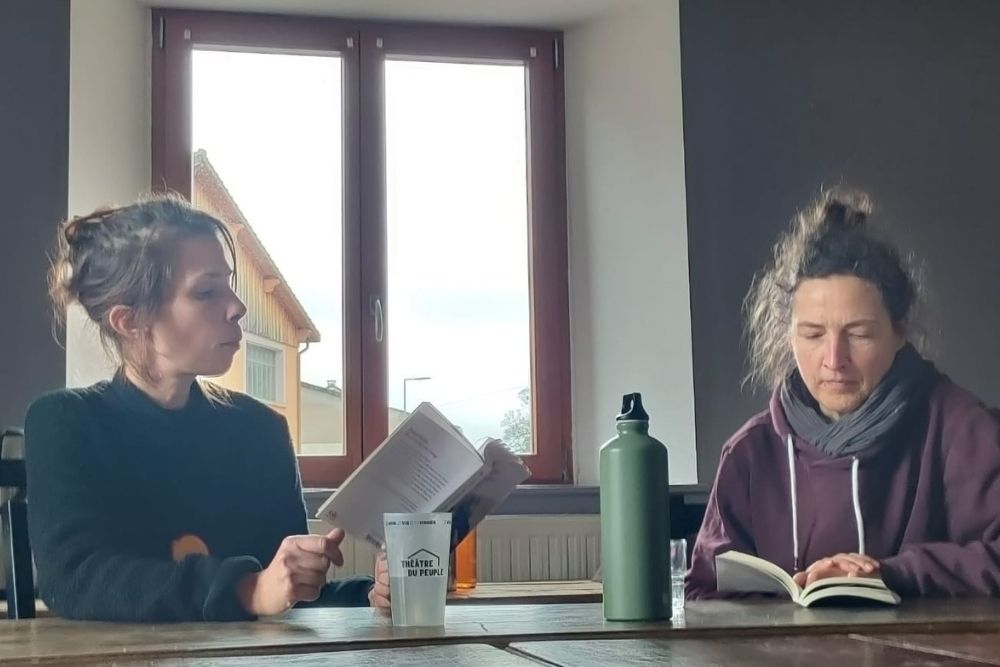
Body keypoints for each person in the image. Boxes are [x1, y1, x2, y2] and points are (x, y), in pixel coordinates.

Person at [25, 196, 391, 621]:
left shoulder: (261, 430)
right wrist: (243, 588)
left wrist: (370, 596)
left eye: (229, 286)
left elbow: (287, 595)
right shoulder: (65, 423)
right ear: (129, 321)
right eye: (206, 291)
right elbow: (74, 578)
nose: (238, 307)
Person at [686, 189, 1000, 599]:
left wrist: (891, 573)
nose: (834, 360)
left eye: (859, 334)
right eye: (813, 335)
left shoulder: (961, 430)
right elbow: (704, 593)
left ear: (899, 332)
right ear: (788, 335)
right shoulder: (750, 452)